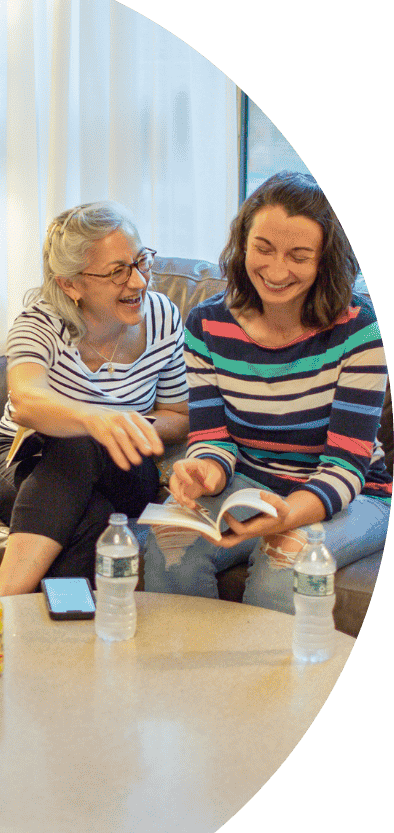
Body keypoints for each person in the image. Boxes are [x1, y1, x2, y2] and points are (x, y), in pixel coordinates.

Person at [144, 172, 391, 613]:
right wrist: (205, 472)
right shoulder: (206, 324)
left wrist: (285, 517)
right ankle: (189, 681)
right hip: (248, 481)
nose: (276, 271)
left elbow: (346, 465)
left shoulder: (360, 330)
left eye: (299, 256)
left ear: (325, 261)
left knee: (280, 570)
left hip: (353, 496)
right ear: (243, 244)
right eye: (263, 249)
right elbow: (213, 438)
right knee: (169, 551)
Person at [0, 201, 189, 595]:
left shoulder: (162, 316)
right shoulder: (40, 322)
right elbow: (26, 399)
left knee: (84, 445)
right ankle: (56, 646)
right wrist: (95, 420)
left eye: (141, 262)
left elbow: (179, 414)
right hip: (22, 456)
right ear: (70, 284)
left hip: (127, 463)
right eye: (117, 272)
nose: (139, 282)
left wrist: (122, 427)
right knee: (97, 518)